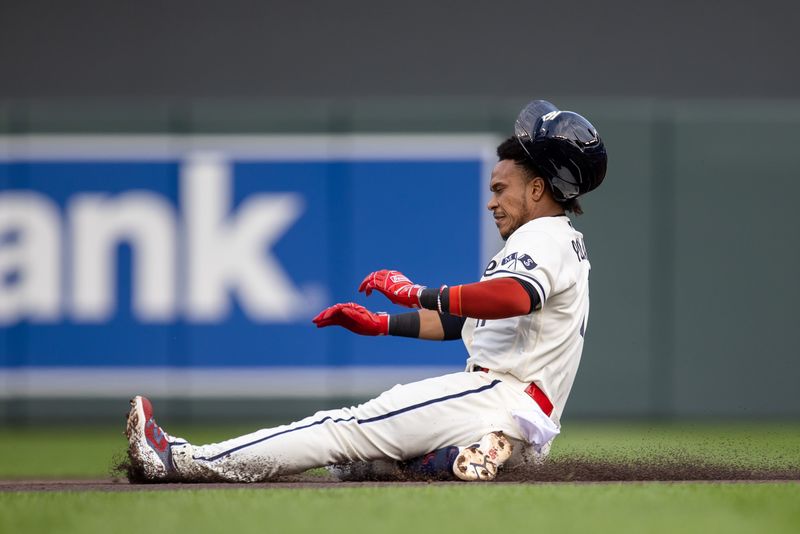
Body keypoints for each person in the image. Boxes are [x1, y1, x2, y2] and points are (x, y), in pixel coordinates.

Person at [125, 100, 608, 483]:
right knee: (361, 466)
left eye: (501, 189)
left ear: (538, 189)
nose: (492, 201)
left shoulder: (542, 236)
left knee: (343, 430)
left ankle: (180, 461)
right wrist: (381, 324)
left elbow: (512, 298)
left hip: (498, 395)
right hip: (525, 417)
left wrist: (416, 291)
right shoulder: (561, 243)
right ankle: (475, 452)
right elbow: (471, 318)